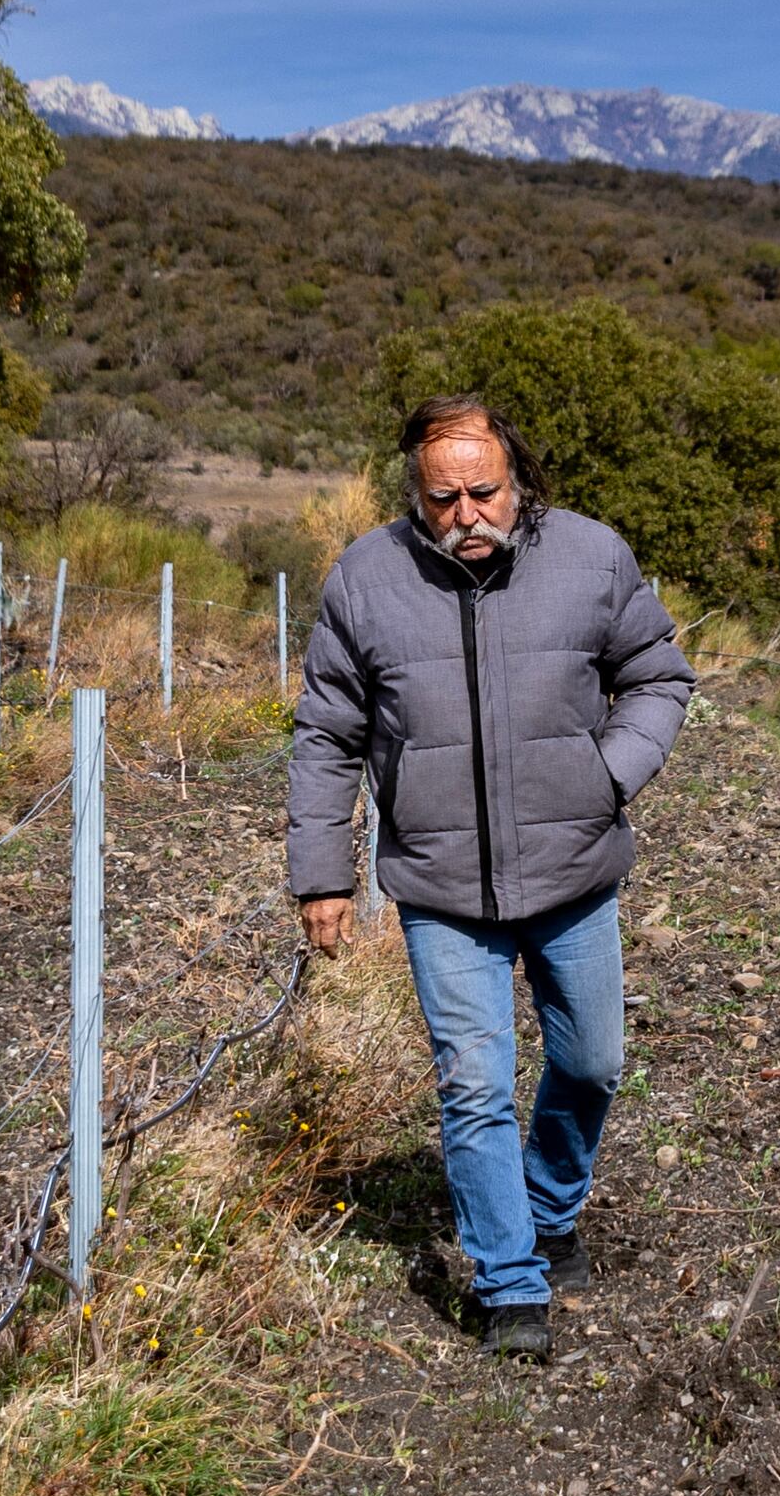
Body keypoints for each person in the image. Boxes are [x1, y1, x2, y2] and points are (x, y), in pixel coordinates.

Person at [286, 395, 697, 1357]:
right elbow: (327, 734)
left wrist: (607, 773)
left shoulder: (593, 557)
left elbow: (658, 675)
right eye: (444, 498)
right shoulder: (365, 578)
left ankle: (552, 1209)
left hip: (574, 870)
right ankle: (511, 1282)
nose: (467, 513)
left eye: (485, 491)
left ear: (518, 480)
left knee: (592, 1062)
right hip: (440, 888)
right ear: (415, 495)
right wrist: (322, 874)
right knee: (474, 1086)